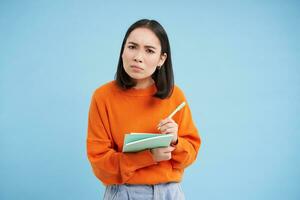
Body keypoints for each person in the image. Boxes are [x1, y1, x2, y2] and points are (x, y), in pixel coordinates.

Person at [86, 19, 201, 200]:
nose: (138, 57)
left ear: (161, 59)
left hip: (169, 193)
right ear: (123, 51)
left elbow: (191, 155)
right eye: (132, 47)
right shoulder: (103, 97)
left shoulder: (175, 96)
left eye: (149, 50)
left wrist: (176, 140)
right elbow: (100, 165)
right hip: (124, 192)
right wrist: (149, 156)